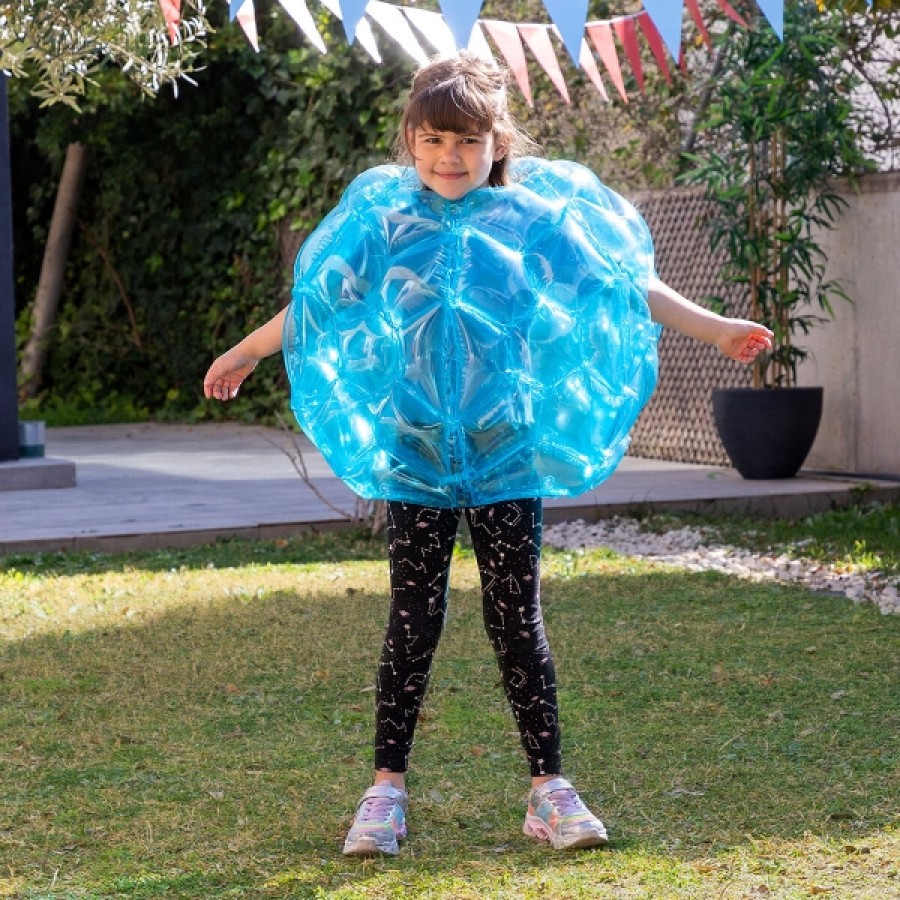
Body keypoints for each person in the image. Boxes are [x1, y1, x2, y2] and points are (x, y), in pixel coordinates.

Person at [204, 53, 772, 857]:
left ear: (496, 142)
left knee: (517, 617)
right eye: (435, 140)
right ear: (410, 140)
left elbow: (621, 286)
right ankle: (385, 792)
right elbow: (317, 305)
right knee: (413, 618)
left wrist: (716, 329)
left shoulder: (533, 221)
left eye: (468, 141)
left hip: (505, 449)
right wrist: (245, 351)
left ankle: (549, 791)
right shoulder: (383, 226)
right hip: (414, 452)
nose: (450, 157)